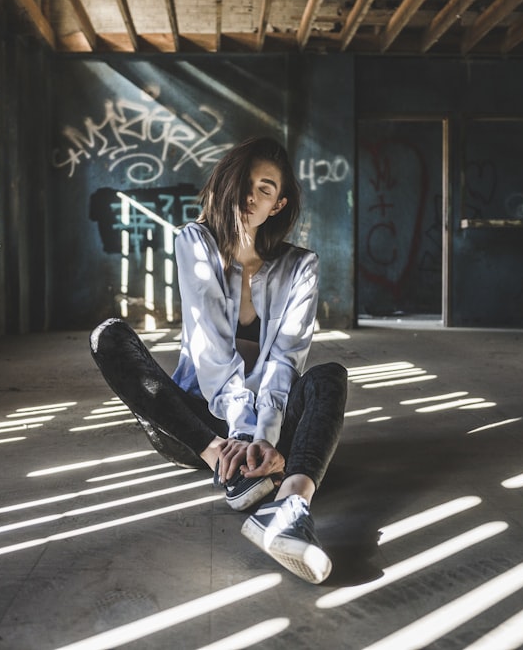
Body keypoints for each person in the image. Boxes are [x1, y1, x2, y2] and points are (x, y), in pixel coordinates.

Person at [90, 137, 347, 584]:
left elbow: (286, 359)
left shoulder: (300, 267)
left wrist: (261, 438)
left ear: (279, 203)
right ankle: (229, 468)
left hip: (269, 433)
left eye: (265, 188)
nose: (251, 196)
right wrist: (234, 439)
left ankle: (289, 507)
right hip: (200, 429)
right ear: (227, 185)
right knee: (108, 337)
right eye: (245, 183)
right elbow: (210, 351)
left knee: (328, 376)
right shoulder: (196, 242)